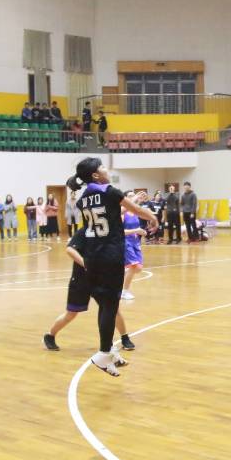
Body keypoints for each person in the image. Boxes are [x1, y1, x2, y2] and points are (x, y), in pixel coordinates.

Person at [66, 158, 157, 376]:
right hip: (110, 256)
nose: (106, 170)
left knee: (106, 306)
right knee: (110, 306)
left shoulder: (83, 198)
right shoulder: (110, 191)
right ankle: (103, 353)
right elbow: (134, 209)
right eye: (102, 167)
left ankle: (107, 350)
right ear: (96, 175)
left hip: (92, 257)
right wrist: (153, 217)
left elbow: (113, 210)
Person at [43, 227, 136, 353]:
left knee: (112, 308)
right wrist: (85, 263)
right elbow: (70, 249)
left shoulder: (106, 232)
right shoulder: (84, 231)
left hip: (100, 278)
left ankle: (125, 338)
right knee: (71, 313)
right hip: (81, 278)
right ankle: (50, 335)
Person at [121, 190, 147, 301]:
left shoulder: (135, 212)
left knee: (139, 268)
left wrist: (141, 232)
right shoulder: (122, 213)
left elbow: (137, 228)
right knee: (134, 266)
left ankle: (122, 272)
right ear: (125, 199)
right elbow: (120, 232)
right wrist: (136, 230)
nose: (134, 197)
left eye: (134, 195)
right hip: (125, 242)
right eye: (131, 196)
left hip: (135, 242)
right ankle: (124, 292)